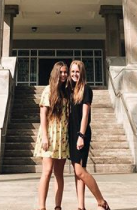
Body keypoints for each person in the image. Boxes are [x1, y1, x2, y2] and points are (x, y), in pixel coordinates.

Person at [68, 60, 110, 210]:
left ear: (82, 73)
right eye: (72, 71)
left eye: (77, 71)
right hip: (71, 133)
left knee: (80, 170)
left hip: (81, 133)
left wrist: (81, 135)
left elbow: (85, 115)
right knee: (78, 172)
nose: (74, 74)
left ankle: (101, 201)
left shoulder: (86, 89)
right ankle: (81, 206)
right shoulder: (70, 90)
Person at [34, 61, 69, 210]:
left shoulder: (66, 92)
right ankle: (41, 206)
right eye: (61, 72)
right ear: (56, 73)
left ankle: (58, 206)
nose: (64, 75)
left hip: (62, 136)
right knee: (47, 171)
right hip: (49, 135)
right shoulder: (48, 90)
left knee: (59, 174)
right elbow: (43, 115)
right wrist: (45, 136)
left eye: (65, 72)